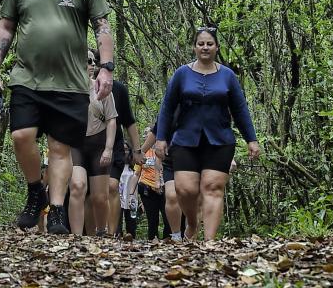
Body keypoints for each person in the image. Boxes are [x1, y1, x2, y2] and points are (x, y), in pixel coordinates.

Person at [0, 0, 115, 235]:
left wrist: (107, 68)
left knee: (59, 148)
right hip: (27, 77)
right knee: (21, 136)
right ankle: (34, 192)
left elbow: (102, 28)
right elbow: (5, 28)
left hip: (70, 82)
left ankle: (56, 209)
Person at [155, 26, 260, 241]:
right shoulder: (181, 74)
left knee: (213, 188)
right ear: (194, 47)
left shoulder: (228, 76)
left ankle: (210, 242)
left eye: (209, 44)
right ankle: (192, 223)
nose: (205, 47)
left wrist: (252, 139)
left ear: (217, 47)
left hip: (219, 140)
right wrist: (161, 138)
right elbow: (167, 107)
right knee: (185, 190)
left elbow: (240, 110)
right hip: (185, 139)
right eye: (201, 43)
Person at [68, 50, 117, 235]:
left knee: (99, 197)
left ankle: (101, 231)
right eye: (85, 60)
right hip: (75, 145)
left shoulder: (102, 88)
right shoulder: (67, 89)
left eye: (92, 60)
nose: (90, 64)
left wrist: (109, 149)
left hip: (98, 144)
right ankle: (76, 236)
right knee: (78, 186)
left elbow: (112, 119)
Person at [106, 80, 143, 236]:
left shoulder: (119, 89)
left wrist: (137, 150)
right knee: (90, 191)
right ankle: (93, 232)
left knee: (112, 186)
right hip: (88, 144)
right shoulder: (81, 84)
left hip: (115, 146)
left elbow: (129, 121)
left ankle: (111, 233)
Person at [142, 124, 182, 240]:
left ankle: (182, 235)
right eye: (144, 133)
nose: (146, 135)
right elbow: (137, 174)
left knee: (187, 201)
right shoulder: (147, 151)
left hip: (186, 162)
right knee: (154, 218)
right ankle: (172, 237)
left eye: (148, 133)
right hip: (150, 187)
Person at [117, 143, 140, 238]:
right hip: (118, 197)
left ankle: (131, 240)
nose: (125, 152)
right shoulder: (116, 165)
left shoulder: (134, 165)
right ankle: (117, 239)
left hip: (132, 198)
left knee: (131, 222)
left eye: (126, 149)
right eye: (123, 149)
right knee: (117, 221)